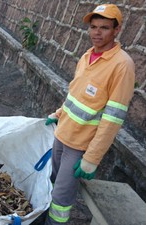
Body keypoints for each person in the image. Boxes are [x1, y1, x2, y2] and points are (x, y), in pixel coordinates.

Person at [44, 4, 135, 225]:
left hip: (80, 145)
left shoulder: (122, 65)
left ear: (117, 30)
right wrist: (58, 113)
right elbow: (75, 94)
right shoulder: (87, 55)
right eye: (93, 27)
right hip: (62, 133)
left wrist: (91, 159)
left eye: (104, 27)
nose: (97, 32)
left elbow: (112, 119)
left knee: (61, 198)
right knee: (52, 182)